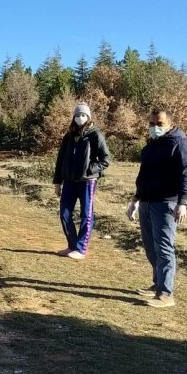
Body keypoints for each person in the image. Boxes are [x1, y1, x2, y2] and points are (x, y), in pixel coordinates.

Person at [127, 108, 187, 308]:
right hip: (147, 201)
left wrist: (182, 203)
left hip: (166, 203)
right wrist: (136, 199)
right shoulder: (150, 147)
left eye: (159, 124)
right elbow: (143, 175)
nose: (155, 128)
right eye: (152, 124)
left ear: (169, 124)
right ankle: (157, 283)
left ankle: (166, 294)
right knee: (151, 246)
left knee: (164, 247)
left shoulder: (180, 144)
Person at [52, 102, 111, 260]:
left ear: (89, 117)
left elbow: (105, 160)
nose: (80, 118)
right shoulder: (69, 136)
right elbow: (60, 160)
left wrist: (89, 170)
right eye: (77, 115)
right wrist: (57, 182)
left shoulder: (95, 134)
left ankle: (81, 248)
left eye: (83, 115)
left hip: (87, 181)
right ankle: (72, 245)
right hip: (69, 181)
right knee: (64, 214)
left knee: (87, 214)